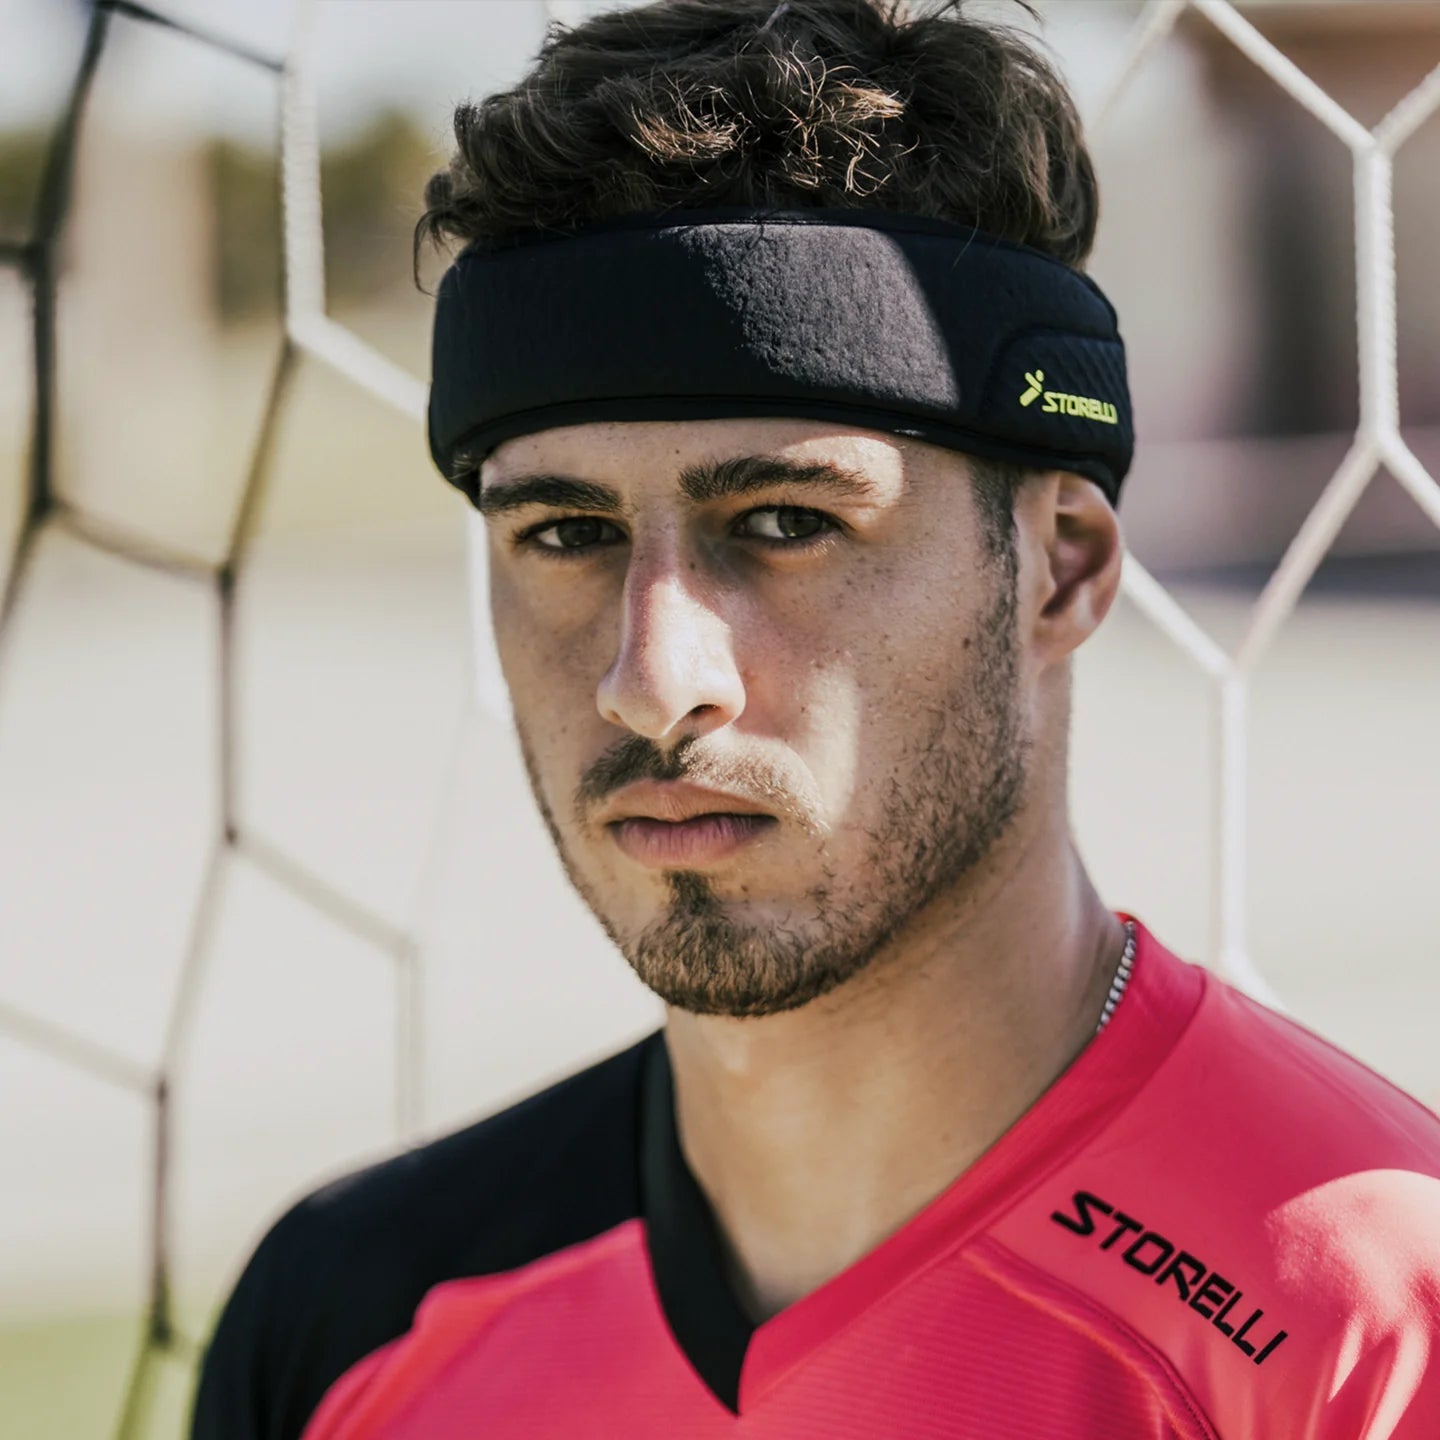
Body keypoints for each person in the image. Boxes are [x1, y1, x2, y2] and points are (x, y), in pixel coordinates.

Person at [191, 2, 1440, 1436]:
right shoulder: (351, 1319)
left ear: (1064, 567)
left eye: (785, 522)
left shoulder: (1366, 1326)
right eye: (567, 535)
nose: (653, 678)